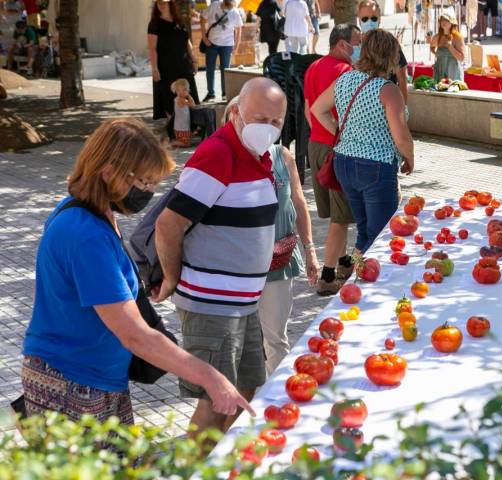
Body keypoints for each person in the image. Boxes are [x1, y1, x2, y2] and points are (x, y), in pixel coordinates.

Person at [21, 118, 254, 427]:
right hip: (73, 383)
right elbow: (135, 335)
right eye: (143, 182)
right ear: (108, 172)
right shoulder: (85, 234)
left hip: (93, 377)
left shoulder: (85, 212)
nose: (148, 191)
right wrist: (209, 377)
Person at [153, 78, 285, 439]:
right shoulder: (219, 153)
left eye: (276, 122)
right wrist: (172, 279)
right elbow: (169, 224)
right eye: (260, 118)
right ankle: (195, 468)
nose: (268, 128)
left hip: (244, 303)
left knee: (245, 390)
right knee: (216, 401)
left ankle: (215, 461)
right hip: (213, 305)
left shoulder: (258, 155)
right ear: (236, 112)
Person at [223, 98, 320, 375]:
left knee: (275, 338)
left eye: (271, 122)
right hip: (239, 268)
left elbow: (299, 203)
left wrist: (311, 250)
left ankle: (279, 401)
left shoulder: (282, 155)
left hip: (279, 263)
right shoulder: (225, 159)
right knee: (241, 341)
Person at [311, 29, 414, 255]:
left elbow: (317, 109)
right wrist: (410, 158)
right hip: (375, 166)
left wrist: (341, 131)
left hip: (344, 162)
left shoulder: (345, 80)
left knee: (364, 231)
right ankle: (369, 283)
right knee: (381, 234)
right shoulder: (389, 90)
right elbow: (401, 136)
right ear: (390, 55)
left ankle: (357, 279)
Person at [304, 23, 362, 295]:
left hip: (315, 145)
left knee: (337, 214)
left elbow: (309, 110)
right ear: (342, 44)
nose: (359, 47)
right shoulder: (346, 72)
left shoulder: (313, 67)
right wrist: (339, 136)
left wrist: (322, 134)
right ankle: (328, 276)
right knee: (341, 218)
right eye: (356, 42)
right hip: (334, 149)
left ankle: (344, 262)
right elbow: (326, 112)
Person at [147, 0, 200, 127]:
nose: (161, 5)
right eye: (159, 3)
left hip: (183, 64)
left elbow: (187, 42)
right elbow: (152, 48)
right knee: (169, 96)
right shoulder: (155, 24)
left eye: (164, 2)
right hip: (166, 66)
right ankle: (174, 129)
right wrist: (154, 68)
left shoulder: (179, 21)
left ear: (171, 4)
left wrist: (194, 59)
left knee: (189, 93)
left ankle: (193, 126)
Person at [356, 0, 408, 103]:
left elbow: (402, 80)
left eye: (374, 18)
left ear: (379, 19)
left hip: (388, 104)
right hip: (361, 106)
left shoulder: (390, 43)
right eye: (365, 18)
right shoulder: (353, 44)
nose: (369, 22)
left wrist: (403, 108)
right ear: (359, 20)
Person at [201, 0, 243, 102]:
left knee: (225, 70)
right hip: (211, 43)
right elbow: (202, 18)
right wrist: (204, 37)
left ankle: (225, 93)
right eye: (227, 5)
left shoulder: (235, 12)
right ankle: (211, 93)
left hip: (227, 45)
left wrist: (236, 46)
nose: (229, 8)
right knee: (210, 69)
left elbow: (239, 29)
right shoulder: (214, 5)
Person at [431, 13, 465, 82]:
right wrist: (438, 55)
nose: (443, 22)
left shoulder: (457, 37)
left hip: (453, 71)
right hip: (440, 69)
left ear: (452, 22)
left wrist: (450, 47)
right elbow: (432, 47)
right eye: (442, 20)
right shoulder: (437, 37)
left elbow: (462, 58)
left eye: (446, 20)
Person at [171, 78, 196, 147]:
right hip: (181, 127)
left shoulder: (179, 99)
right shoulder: (181, 100)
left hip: (181, 125)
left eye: (186, 89)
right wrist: (189, 95)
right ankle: (173, 143)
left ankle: (177, 141)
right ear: (177, 91)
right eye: (184, 90)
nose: (185, 91)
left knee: (186, 140)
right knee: (186, 144)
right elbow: (193, 105)